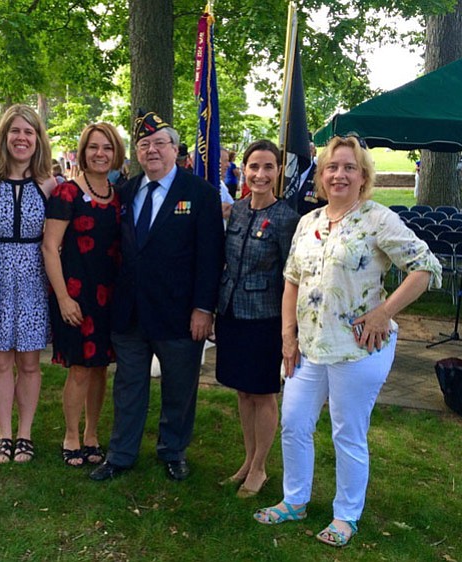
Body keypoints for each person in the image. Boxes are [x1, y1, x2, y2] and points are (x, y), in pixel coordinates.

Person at [253, 135, 442, 547]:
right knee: (294, 424)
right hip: (308, 347)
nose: (339, 174)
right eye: (332, 167)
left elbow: (425, 268)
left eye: (349, 167)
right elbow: (291, 281)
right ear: (321, 177)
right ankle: (295, 500)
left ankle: (346, 515)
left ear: (363, 177)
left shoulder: (378, 219)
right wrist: (288, 336)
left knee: (347, 432)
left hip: (358, 348)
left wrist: (383, 312)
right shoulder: (310, 221)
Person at [89, 110, 224, 482]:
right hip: (130, 313)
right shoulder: (126, 191)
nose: (152, 150)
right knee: (129, 387)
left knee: (180, 389)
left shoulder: (201, 195)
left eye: (159, 143)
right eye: (144, 144)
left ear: (176, 149)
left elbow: (211, 258)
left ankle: (173, 450)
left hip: (180, 314)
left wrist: (203, 308)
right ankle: (120, 454)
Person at [215, 140, 300, 498]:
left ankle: (261, 467)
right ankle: (247, 460)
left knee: (263, 393)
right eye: (253, 167)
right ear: (244, 169)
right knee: (243, 392)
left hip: (265, 317)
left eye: (268, 167)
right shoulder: (236, 210)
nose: (260, 174)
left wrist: (289, 330)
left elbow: (291, 277)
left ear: (278, 171)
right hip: (232, 313)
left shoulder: (287, 218)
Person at [0, 104, 56, 464]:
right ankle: (3, 434)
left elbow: (56, 240)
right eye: (15, 131)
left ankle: (25, 434)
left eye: (29, 132)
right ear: (3, 136)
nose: (22, 138)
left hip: (34, 278)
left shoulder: (50, 185)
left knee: (30, 363)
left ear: (38, 140)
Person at [43, 123, 124, 467]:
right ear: (82, 152)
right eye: (93, 147)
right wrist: (62, 298)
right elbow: (49, 247)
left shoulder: (119, 194)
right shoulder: (67, 194)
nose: (100, 154)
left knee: (100, 368)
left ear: (116, 152)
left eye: (107, 147)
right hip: (76, 294)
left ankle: (92, 434)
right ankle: (71, 435)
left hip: (110, 295)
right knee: (79, 368)